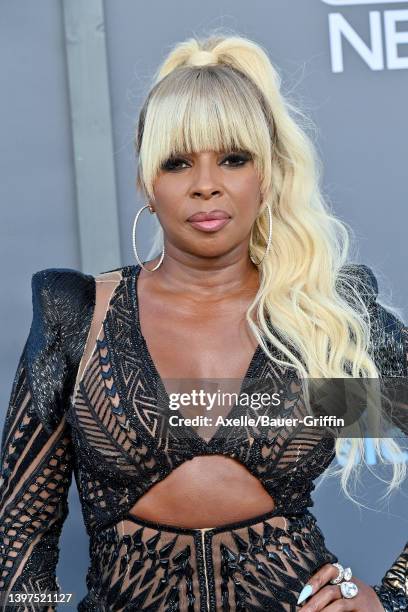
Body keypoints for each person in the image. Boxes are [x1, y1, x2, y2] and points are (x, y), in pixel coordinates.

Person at [0, 32, 407, 612]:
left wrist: (390, 598)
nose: (206, 183)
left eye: (233, 158)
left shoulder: (321, 313)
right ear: (148, 181)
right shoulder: (77, 314)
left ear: (265, 174)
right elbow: (23, 536)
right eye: (178, 161)